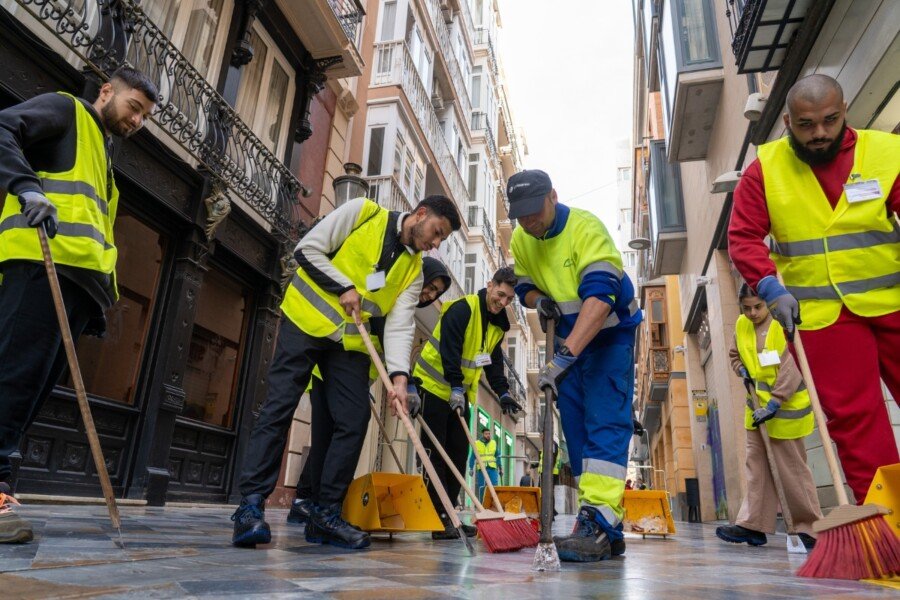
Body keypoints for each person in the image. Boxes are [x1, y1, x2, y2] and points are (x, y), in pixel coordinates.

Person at [230, 195, 461, 550]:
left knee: (353, 421)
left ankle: (324, 514)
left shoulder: (413, 272)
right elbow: (307, 250)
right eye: (436, 232)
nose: (435, 243)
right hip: (306, 321)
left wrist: (400, 379)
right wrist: (344, 286)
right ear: (420, 214)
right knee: (279, 408)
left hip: (349, 344)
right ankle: (249, 508)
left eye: (441, 240)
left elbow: (399, 326)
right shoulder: (363, 212)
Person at [0, 68, 157, 544]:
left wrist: (100, 301)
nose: (137, 121)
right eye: (134, 108)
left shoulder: (105, 160)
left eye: (145, 117)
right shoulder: (67, 109)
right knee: (13, 376)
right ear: (107, 91)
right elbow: (4, 126)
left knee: (29, 390)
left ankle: (2, 484)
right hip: (38, 264)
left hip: (76, 286)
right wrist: (26, 187)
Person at [728, 74, 900, 503]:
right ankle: (891, 527)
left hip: (893, 302)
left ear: (844, 112)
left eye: (830, 120)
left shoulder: (886, 153)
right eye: (806, 124)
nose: (819, 133)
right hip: (820, 317)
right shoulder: (764, 170)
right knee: (856, 423)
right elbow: (744, 237)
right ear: (787, 121)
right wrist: (769, 287)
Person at [509, 169, 642, 562]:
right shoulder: (522, 238)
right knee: (577, 429)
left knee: (605, 420)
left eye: (534, 211)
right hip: (568, 340)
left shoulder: (586, 230)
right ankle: (603, 523)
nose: (529, 222)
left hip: (608, 336)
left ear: (553, 196)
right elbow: (522, 285)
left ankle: (597, 522)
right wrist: (536, 300)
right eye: (521, 215)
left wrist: (564, 358)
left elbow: (600, 301)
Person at [287, 256, 451, 525]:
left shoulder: (403, 309)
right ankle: (311, 503)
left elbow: (389, 348)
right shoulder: (385, 289)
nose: (428, 294)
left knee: (334, 437)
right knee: (327, 437)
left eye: (435, 293)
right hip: (331, 367)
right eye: (429, 286)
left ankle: (313, 504)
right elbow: (380, 329)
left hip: (353, 376)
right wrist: (404, 383)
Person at [414, 266, 519, 539]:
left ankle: (449, 515)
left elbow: (492, 362)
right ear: (490, 284)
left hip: (459, 395)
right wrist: (456, 385)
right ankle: (437, 517)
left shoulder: (496, 325)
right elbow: (450, 350)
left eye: (509, 299)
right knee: (435, 454)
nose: (503, 302)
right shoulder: (462, 309)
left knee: (459, 454)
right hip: (433, 386)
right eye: (501, 294)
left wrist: (503, 392)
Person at [715, 284, 822, 549]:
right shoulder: (741, 324)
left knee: (792, 471)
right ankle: (753, 525)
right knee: (757, 468)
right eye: (746, 307)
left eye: (757, 307)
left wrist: (775, 402)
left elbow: (792, 366)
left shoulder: (781, 321)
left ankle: (810, 527)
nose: (752, 313)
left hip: (786, 410)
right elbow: (734, 354)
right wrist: (740, 370)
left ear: (767, 303)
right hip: (756, 408)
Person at [470, 427, 503, 504]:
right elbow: (472, 457)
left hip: (492, 468)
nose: (488, 435)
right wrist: (470, 468)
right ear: (482, 434)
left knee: (494, 486)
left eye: (489, 433)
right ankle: (482, 504)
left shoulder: (493, 443)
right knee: (482, 487)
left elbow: (498, 456)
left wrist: (501, 468)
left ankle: (494, 504)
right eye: (486, 434)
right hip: (481, 468)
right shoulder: (477, 443)